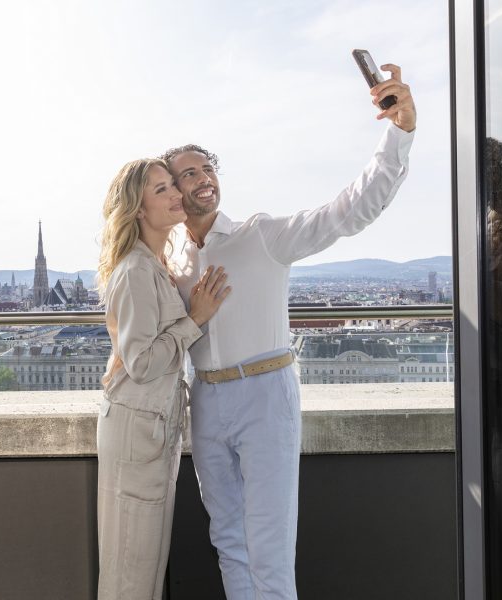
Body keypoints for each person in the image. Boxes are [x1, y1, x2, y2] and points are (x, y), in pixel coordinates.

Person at [161, 64, 417, 599]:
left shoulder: (261, 235)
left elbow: (346, 212)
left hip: (265, 392)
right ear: (171, 190)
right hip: (205, 398)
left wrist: (398, 133)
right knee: (228, 538)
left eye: (207, 168)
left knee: (269, 542)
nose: (204, 178)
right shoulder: (174, 260)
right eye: (188, 173)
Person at [96, 158, 231, 599]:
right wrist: (196, 319)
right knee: (132, 565)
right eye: (161, 190)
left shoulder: (153, 264)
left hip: (148, 428)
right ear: (138, 209)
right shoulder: (137, 270)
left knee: (142, 561)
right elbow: (142, 363)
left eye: (173, 185)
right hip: (139, 430)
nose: (176, 194)